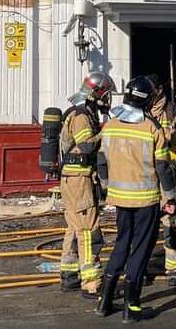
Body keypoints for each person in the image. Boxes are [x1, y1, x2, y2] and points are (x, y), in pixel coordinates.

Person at [95, 76, 176, 323]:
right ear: (149, 99)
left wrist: (107, 188)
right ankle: (131, 307)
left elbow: (101, 162)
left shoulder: (110, 125)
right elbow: (163, 167)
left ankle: (105, 301)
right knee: (141, 250)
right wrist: (170, 197)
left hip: (119, 199)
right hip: (146, 200)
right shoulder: (152, 128)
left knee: (121, 243)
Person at [58, 72, 115, 298]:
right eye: (106, 93)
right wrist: (106, 132)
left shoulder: (80, 111)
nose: (107, 98)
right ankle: (91, 283)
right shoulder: (81, 115)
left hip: (73, 178)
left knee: (74, 226)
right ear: (96, 93)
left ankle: (69, 274)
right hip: (79, 180)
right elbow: (87, 146)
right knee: (88, 229)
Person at [145, 76, 176, 287]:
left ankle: (174, 269)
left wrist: (173, 135)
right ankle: (140, 267)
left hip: (169, 176)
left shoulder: (175, 112)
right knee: (144, 226)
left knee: (170, 224)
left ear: (161, 90)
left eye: (154, 89)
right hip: (146, 177)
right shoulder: (140, 113)